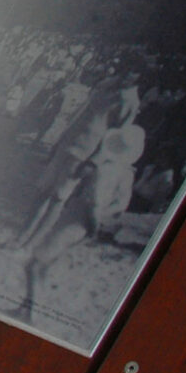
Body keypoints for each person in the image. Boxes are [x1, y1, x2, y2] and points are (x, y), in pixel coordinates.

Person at [19, 83, 146, 317]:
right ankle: (32, 305)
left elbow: (95, 202)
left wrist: (95, 223)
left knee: (36, 262)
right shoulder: (125, 174)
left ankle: (30, 311)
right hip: (83, 221)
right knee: (48, 260)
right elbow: (120, 204)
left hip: (79, 219)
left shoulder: (104, 171)